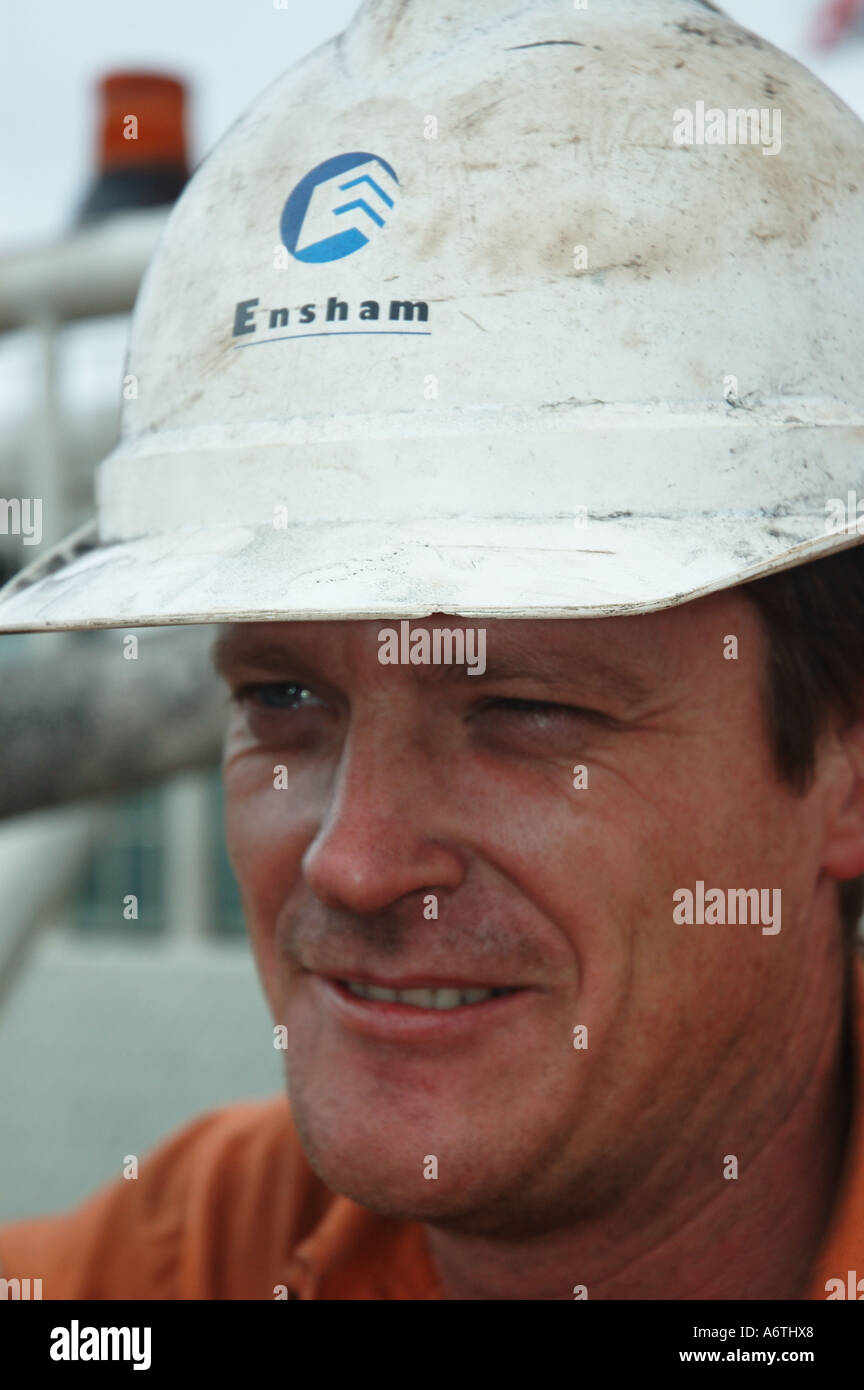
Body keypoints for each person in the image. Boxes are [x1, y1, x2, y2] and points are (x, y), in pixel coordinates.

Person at [1, 0, 863, 1300]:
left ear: (848, 766)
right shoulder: (184, 1259)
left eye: (523, 710)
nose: (352, 861)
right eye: (282, 696)